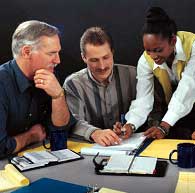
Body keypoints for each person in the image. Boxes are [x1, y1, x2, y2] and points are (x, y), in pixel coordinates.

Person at [0, 20, 76, 158]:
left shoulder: (49, 75)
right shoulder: (2, 83)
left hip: (36, 159)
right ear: (27, 52)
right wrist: (30, 136)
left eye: (58, 53)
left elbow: (62, 129)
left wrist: (58, 96)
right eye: (51, 53)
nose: (58, 60)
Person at [121, 7, 195, 139]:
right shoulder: (145, 60)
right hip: (179, 114)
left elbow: (188, 87)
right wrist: (130, 125)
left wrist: (164, 126)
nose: (153, 56)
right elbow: (143, 99)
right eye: (148, 50)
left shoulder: (193, 46)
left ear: (172, 41)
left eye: (158, 50)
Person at [63, 27, 136, 146]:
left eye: (106, 57)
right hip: (91, 153)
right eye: (94, 60)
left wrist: (131, 125)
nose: (102, 66)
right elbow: (72, 121)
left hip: (133, 147)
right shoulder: (73, 84)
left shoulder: (133, 75)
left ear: (112, 52)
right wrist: (95, 133)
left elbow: (153, 110)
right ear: (83, 58)